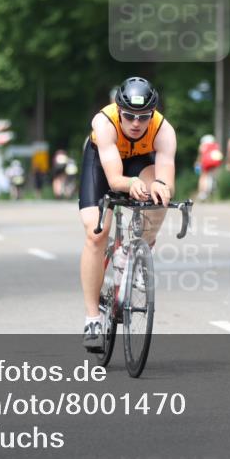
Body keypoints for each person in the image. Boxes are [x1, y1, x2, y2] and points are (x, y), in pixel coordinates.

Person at [78, 77, 175, 349]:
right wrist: (131, 184)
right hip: (102, 165)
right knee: (97, 233)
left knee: (160, 197)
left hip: (141, 162)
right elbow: (114, 179)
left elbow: (167, 179)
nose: (136, 123)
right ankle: (92, 318)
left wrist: (158, 186)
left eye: (143, 117)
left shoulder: (164, 130)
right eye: (129, 115)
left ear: (152, 114)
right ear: (118, 110)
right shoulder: (104, 123)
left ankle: (140, 248)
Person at [195, 134, 223, 201]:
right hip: (215, 163)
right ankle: (214, 184)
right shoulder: (216, 145)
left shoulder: (202, 146)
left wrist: (197, 163)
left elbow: (200, 156)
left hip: (206, 163)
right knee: (214, 173)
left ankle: (202, 192)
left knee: (203, 176)